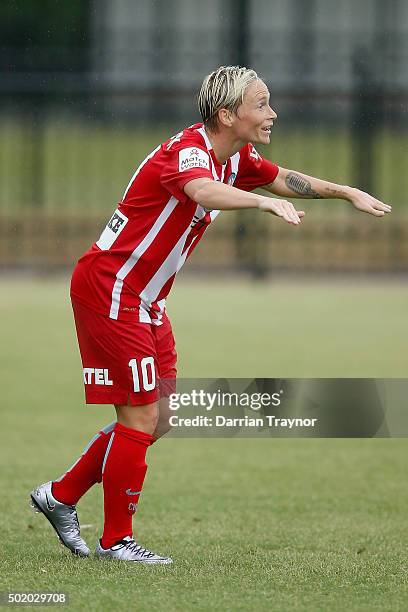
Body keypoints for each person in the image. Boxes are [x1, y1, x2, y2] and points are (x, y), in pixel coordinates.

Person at [30, 65, 391, 564]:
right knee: (138, 415)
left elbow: (283, 177)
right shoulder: (189, 153)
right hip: (111, 289)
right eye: (261, 104)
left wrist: (347, 192)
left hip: (146, 299)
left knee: (159, 418)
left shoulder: (236, 156)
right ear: (228, 115)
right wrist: (260, 207)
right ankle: (116, 541)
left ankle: (61, 495)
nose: (273, 113)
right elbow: (201, 190)